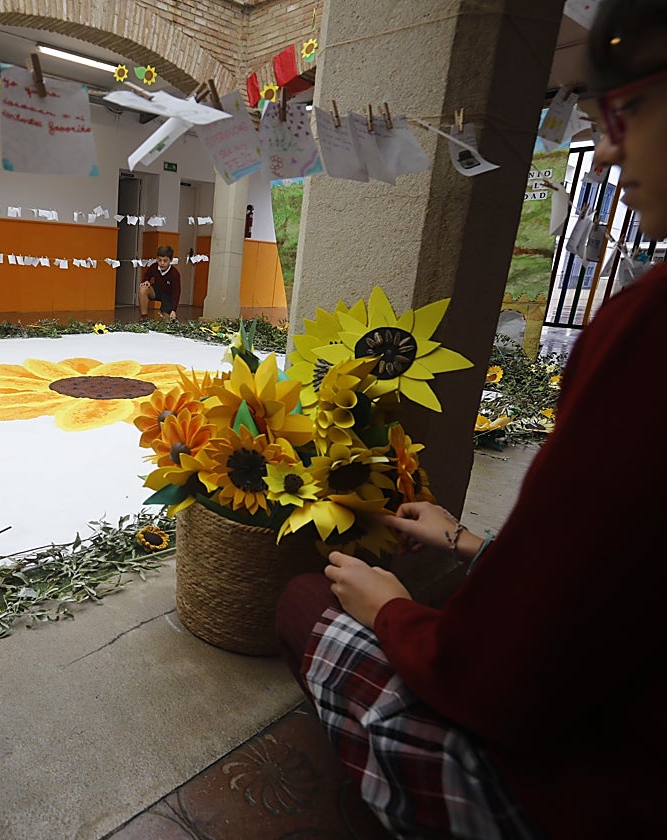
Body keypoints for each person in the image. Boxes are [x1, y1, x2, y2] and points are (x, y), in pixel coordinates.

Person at [274, 0, 666, 835]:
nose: (605, 147)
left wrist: (388, 610)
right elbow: (619, 579)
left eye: (625, 109)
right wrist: (467, 543)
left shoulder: (651, 329)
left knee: (309, 600)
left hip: (588, 790)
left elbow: (501, 678)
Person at [138, 244, 182, 320]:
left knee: (167, 320)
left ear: (171, 260)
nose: (162, 263)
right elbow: (147, 275)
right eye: (159, 260)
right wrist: (146, 281)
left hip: (168, 296)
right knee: (143, 289)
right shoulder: (154, 267)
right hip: (156, 291)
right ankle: (144, 319)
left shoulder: (175, 274)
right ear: (156, 259)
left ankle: (172, 320)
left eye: (165, 261)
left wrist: (174, 309)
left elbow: (176, 292)